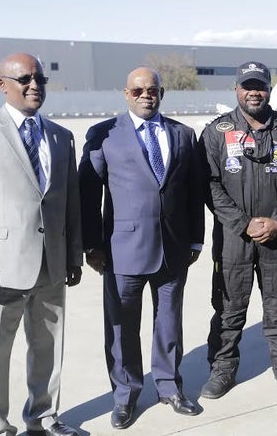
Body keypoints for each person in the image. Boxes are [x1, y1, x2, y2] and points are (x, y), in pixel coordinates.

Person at [0, 53, 83, 436]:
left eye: (40, 78)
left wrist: (73, 255)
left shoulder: (61, 136)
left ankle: (43, 419)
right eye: (24, 78)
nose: (34, 85)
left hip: (52, 264)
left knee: (48, 349)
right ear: (2, 84)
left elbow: (69, 201)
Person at [78, 67, 205, 430]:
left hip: (174, 249)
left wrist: (195, 238)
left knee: (169, 323)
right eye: (138, 90)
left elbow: (194, 193)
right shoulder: (105, 134)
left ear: (162, 94)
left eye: (153, 90)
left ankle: (168, 385)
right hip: (122, 252)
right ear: (126, 93)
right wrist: (91, 246)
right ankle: (125, 394)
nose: (146, 95)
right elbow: (89, 193)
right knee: (122, 328)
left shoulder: (182, 134)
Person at [199, 61, 277, 399]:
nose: (254, 92)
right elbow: (210, 185)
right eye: (247, 85)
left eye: (260, 86)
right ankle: (222, 370)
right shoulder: (216, 132)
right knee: (229, 308)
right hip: (234, 239)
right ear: (236, 89)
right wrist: (243, 223)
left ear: (268, 89)